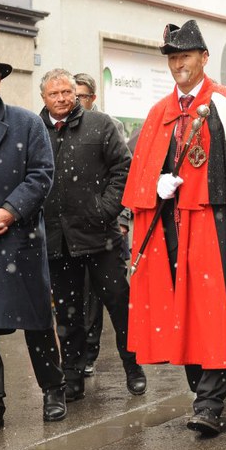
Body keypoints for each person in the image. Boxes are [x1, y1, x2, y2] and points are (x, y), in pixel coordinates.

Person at [123, 20, 226, 435]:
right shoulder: (159, 112)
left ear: (203, 58)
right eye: (173, 58)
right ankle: (202, 390)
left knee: (214, 312)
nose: (179, 64)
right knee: (183, 314)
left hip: (217, 227)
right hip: (171, 232)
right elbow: (139, 178)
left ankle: (210, 402)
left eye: (185, 56)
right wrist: (155, 182)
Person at [0, 46, 67, 433]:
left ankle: (54, 390)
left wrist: (9, 211)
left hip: (19, 239)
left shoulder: (25, 124)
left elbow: (41, 174)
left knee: (37, 321)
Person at [39, 68, 146, 402]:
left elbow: (123, 170)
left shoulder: (100, 125)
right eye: (53, 94)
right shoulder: (34, 130)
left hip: (102, 237)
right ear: (44, 97)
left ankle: (134, 367)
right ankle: (72, 377)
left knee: (119, 305)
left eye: (66, 92)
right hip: (58, 242)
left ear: (76, 94)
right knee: (68, 315)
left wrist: (104, 209)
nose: (61, 99)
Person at [73, 72, 131, 377]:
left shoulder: (109, 126)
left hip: (105, 230)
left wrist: (117, 216)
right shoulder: (59, 128)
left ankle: (132, 363)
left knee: (114, 297)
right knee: (84, 300)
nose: (74, 100)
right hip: (75, 234)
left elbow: (123, 175)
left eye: (80, 95)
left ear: (92, 98)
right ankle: (87, 354)